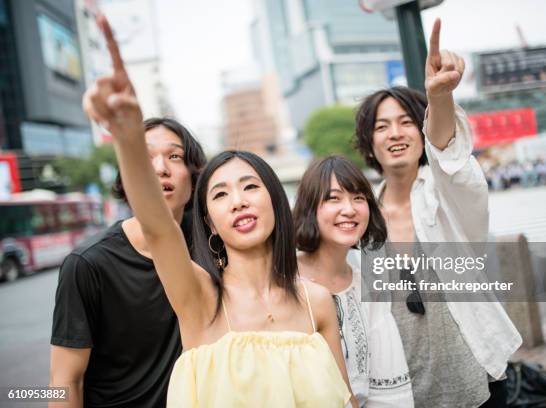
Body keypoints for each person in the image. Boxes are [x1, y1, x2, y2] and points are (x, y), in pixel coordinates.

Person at [81, 14, 357, 408]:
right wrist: (126, 136)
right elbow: (159, 227)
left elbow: (346, 400)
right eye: (221, 194)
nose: (239, 201)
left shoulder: (316, 301)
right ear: (208, 220)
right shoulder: (199, 297)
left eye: (249, 187)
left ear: (275, 202)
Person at [353, 19, 522, 408]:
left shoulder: (442, 194)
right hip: (398, 387)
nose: (395, 133)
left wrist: (439, 98)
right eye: (382, 126)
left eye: (406, 122)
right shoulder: (359, 216)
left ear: (422, 131)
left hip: (470, 378)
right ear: (369, 142)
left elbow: (450, 156)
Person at [49, 116, 207, 407]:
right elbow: (64, 381)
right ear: (128, 176)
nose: (160, 169)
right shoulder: (87, 264)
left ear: (194, 175)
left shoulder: (212, 244)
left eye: (174, 156)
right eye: (145, 158)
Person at [293, 155, 414, 407]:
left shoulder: (367, 281)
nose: (349, 209)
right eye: (333, 198)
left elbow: (387, 388)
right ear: (309, 207)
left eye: (358, 198)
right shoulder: (285, 279)